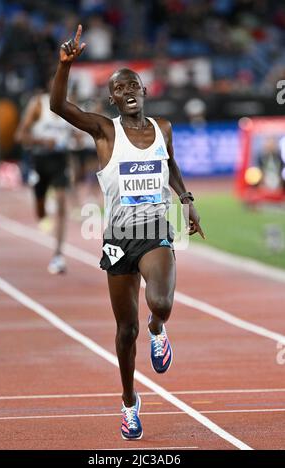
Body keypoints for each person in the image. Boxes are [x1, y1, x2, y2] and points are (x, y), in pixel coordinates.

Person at [50, 25, 204, 440]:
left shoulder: (163, 128)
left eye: (134, 84)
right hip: (118, 240)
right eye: (120, 87)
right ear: (113, 98)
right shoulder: (104, 131)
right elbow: (58, 106)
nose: (128, 90)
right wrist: (65, 66)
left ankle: (158, 328)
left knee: (161, 304)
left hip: (156, 230)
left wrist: (186, 200)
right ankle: (130, 402)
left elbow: (170, 164)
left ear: (144, 91)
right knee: (125, 331)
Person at [15, 79, 71, 274]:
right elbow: (20, 136)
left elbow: (78, 133)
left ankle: (58, 254)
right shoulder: (39, 104)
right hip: (40, 161)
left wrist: (80, 137)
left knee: (63, 203)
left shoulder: (70, 106)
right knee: (40, 212)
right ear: (50, 85)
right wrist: (41, 140)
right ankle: (43, 209)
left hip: (60, 161)